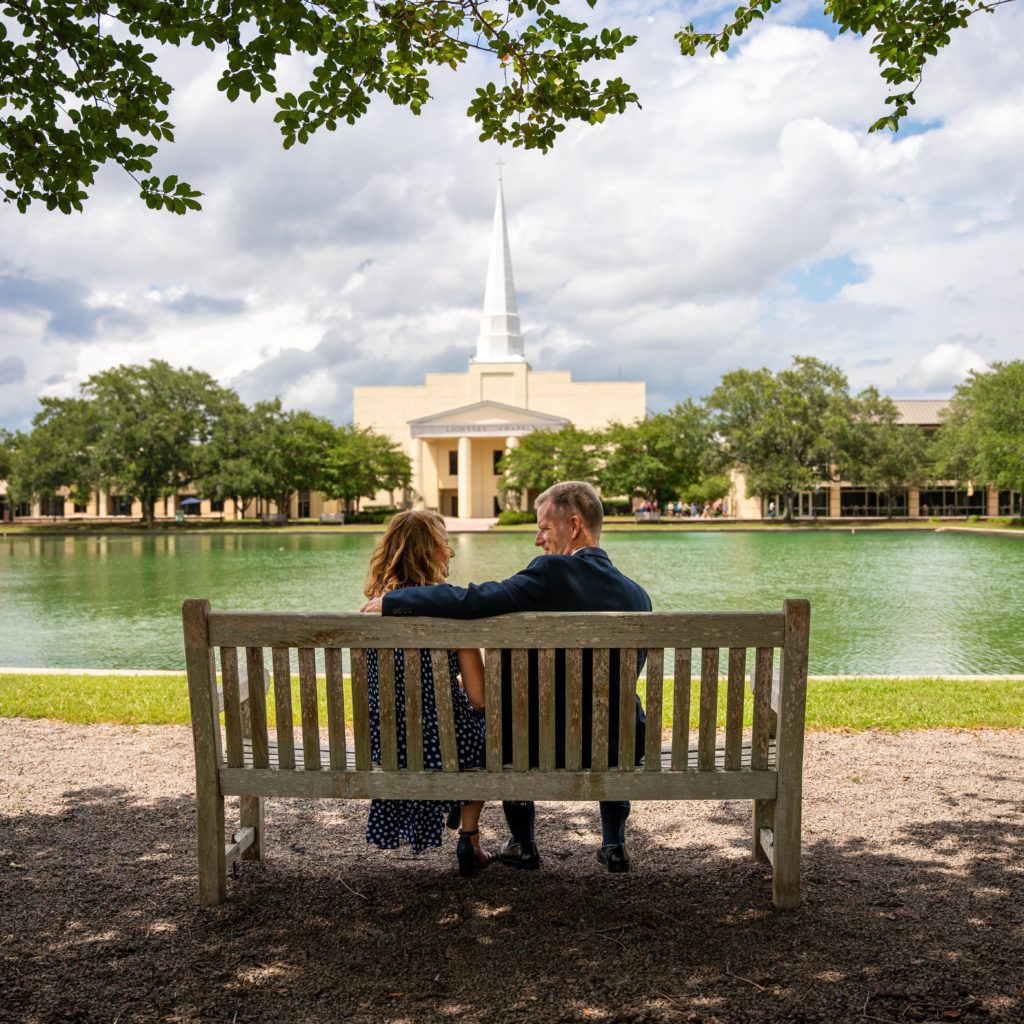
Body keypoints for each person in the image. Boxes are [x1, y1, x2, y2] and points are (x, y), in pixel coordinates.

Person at [363, 481, 652, 874]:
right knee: (616, 711)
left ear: (574, 524)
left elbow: (474, 599)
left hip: (537, 744)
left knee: (509, 725)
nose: (538, 540)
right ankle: (614, 842)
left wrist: (396, 600)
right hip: (619, 745)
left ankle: (523, 843)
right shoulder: (638, 597)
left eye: (545, 528)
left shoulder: (551, 573)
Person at [362, 509, 490, 877]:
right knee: (486, 736)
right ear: (427, 552)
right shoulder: (451, 614)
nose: (450, 553)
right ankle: (470, 837)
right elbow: (480, 698)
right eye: (445, 545)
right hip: (446, 744)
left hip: (388, 743)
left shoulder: (371, 611)